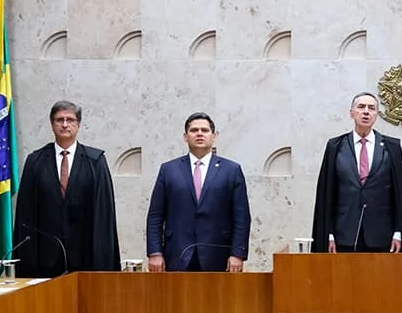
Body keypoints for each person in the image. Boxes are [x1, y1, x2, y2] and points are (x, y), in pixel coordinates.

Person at [15, 100, 120, 276]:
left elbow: (104, 215)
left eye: (70, 120)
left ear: (78, 124)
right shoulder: (35, 162)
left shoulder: (95, 162)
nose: (65, 124)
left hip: (85, 258)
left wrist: (103, 260)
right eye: (59, 120)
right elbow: (25, 214)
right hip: (45, 261)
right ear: (52, 124)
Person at [311, 92, 402, 253]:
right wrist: (329, 233)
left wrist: (398, 232)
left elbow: (400, 195)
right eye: (361, 107)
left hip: (382, 236)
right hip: (343, 235)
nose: (366, 111)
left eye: (372, 108)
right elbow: (327, 193)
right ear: (351, 113)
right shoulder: (335, 146)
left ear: (376, 114)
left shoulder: (392, 147)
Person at [146, 112, 251, 272]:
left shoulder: (231, 170)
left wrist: (238, 254)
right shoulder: (168, 170)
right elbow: (155, 215)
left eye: (205, 130)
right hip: (176, 254)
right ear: (185, 136)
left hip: (218, 255)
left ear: (214, 136)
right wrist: (155, 253)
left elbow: (241, 217)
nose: (200, 134)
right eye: (194, 130)